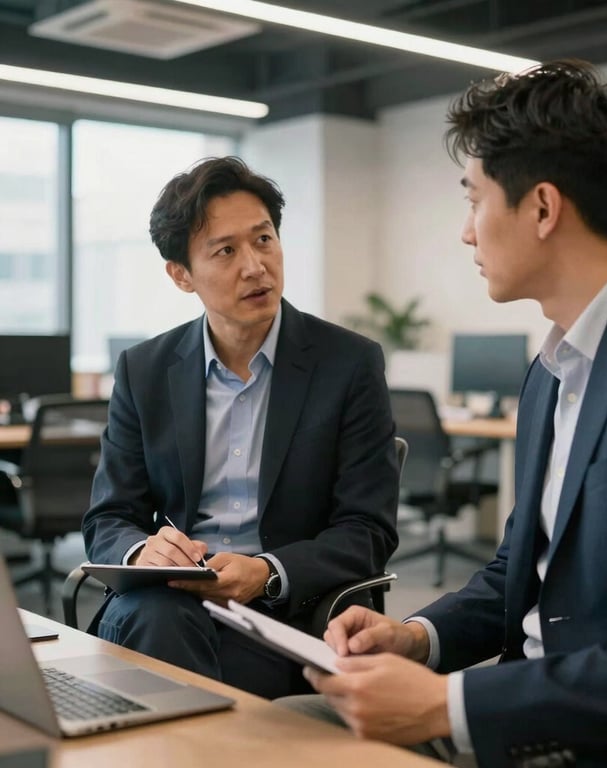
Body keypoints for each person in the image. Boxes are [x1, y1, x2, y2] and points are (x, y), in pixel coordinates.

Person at [290, 60, 607, 767]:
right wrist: (417, 639)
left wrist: (442, 704)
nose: (465, 233)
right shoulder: (554, 366)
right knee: (285, 726)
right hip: (531, 714)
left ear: (542, 208)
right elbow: (522, 569)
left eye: (474, 200)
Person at [82, 156, 399, 699]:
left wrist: (267, 571)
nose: (255, 266)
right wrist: (142, 554)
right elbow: (110, 515)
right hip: (170, 600)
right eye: (226, 251)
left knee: (162, 655)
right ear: (181, 274)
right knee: (160, 616)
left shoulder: (348, 364)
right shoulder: (146, 370)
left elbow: (367, 529)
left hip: (288, 614)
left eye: (264, 240)